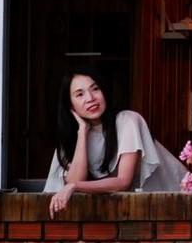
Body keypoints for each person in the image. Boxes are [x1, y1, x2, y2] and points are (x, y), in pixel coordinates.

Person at [46, 71, 183, 213]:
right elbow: (73, 181)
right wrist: (82, 131)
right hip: (140, 208)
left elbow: (123, 181)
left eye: (95, 89)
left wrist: (74, 185)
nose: (90, 98)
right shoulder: (71, 137)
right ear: (71, 106)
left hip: (178, 199)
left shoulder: (128, 120)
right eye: (80, 94)